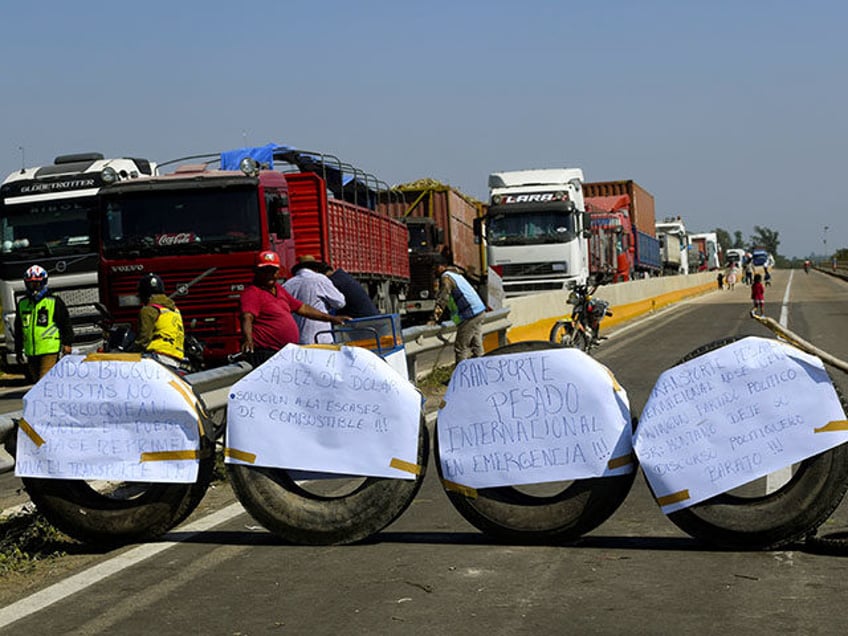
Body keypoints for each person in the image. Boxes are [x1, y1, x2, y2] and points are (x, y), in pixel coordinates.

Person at [240, 251, 348, 367]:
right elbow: (247, 316)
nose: (269, 274)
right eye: (265, 271)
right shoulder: (252, 293)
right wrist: (248, 339)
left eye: (272, 271)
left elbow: (302, 308)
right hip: (266, 353)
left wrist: (331, 318)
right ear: (256, 272)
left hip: (284, 351)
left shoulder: (279, 289)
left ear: (278, 272)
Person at [14, 264, 74, 381]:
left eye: (37, 283)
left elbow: (65, 323)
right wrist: (18, 350)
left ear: (43, 283)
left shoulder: (53, 301)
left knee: (44, 381)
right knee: (37, 383)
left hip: (49, 350)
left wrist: (67, 343)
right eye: (30, 284)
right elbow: (18, 328)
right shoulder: (23, 304)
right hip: (31, 351)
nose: (34, 287)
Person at [429, 261, 486, 364]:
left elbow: (443, 299)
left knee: (461, 347)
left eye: (434, 269)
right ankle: (482, 369)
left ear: (441, 266)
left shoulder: (446, 278)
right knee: (476, 344)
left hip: (470, 314)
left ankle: (461, 375)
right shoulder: (455, 274)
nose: (433, 272)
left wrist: (434, 318)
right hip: (478, 310)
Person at [283, 257, 347, 344]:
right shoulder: (320, 279)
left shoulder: (287, 285)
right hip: (321, 337)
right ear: (315, 268)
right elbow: (340, 303)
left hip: (298, 339)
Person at [134, 273, 184, 368]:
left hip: (158, 356)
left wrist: (131, 352)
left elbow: (143, 339)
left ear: (145, 295)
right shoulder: (175, 310)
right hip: (176, 358)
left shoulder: (148, 310)